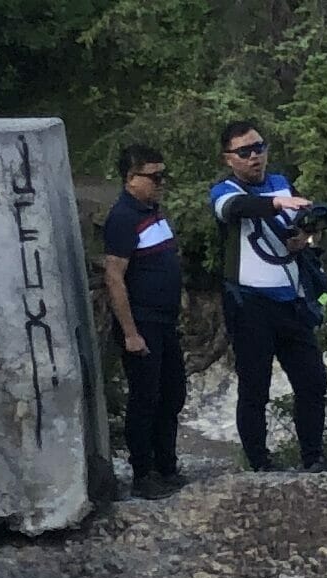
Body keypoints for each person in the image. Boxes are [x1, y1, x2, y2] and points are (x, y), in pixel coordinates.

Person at [209, 117, 327, 475]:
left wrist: (304, 238)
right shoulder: (224, 190)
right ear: (228, 158)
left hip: (290, 300)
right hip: (249, 304)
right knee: (254, 387)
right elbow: (236, 210)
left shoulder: (280, 183)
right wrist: (277, 205)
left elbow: (302, 230)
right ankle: (259, 463)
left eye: (259, 148)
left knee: (311, 381)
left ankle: (313, 458)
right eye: (244, 152)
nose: (254, 157)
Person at [97, 141, 187, 496]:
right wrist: (130, 332)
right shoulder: (123, 218)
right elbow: (114, 276)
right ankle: (143, 472)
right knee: (145, 398)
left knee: (172, 393)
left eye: (163, 176)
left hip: (165, 320)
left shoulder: (154, 211)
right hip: (143, 321)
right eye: (154, 177)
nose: (160, 183)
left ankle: (166, 464)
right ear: (131, 178)